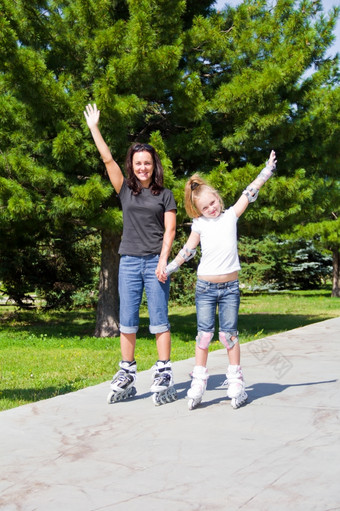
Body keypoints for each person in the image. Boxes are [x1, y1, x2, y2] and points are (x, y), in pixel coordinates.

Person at [164, 150, 277, 410]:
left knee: (229, 335)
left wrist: (267, 171)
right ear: (197, 210)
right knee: (203, 336)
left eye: (213, 203)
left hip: (230, 289)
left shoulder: (230, 215)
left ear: (218, 198)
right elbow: (188, 251)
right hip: (205, 288)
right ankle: (199, 380)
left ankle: (236, 379)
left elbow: (249, 192)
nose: (212, 209)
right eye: (205, 207)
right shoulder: (199, 224)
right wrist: (170, 268)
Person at [84, 103, 177, 406]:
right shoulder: (126, 190)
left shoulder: (165, 195)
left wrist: (163, 261)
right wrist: (94, 128)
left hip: (155, 262)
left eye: (147, 163)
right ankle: (127, 371)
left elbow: (171, 231)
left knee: (160, 320)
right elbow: (107, 158)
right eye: (138, 163)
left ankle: (163, 371)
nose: (142, 167)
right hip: (128, 262)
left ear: (154, 165)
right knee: (127, 320)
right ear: (132, 165)